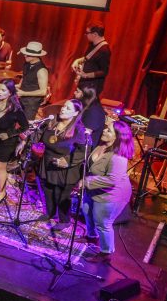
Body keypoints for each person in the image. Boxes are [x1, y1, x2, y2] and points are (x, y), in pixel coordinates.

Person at [81, 120, 134, 261]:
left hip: (112, 194)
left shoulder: (118, 157)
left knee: (103, 222)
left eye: (109, 130)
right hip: (95, 188)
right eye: (106, 128)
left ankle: (106, 252)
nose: (104, 131)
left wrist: (87, 181)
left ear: (117, 137)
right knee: (86, 209)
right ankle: (92, 237)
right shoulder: (102, 146)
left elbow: (112, 180)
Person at [37, 99, 86, 230]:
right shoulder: (53, 122)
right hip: (48, 162)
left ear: (76, 113)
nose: (63, 109)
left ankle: (64, 220)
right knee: (48, 190)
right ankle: (50, 213)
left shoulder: (79, 130)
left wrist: (67, 161)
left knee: (61, 195)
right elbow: (40, 137)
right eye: (64, 106)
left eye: (68, 108)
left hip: (65, 168)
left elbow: (83, 151)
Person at [0, 80, 27, 203]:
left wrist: (8, 134)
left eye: (3, 90)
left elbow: (25, 126)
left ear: (10, 92)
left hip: (5, 143)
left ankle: (2, 192)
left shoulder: (16, 109)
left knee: (0, 168)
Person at [72, 22, 111, 97]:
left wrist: (86, 75)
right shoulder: (92, 44)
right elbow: (88, 58)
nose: (86, 35)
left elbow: (104, 72)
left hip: (91, 88)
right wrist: (77, 61)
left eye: (87, 33)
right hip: (83, 84)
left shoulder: (104, 50)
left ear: (95, 34)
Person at [16, 41, 49, 120]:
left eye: (27, 54)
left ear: (36, 56)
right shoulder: (27, 64)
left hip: (31, 103)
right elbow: (25, 77)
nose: (25, 55)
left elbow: (43, 91)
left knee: (26, 124)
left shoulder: (42, 70)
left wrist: (24, 93)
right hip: (22, 99)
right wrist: (18, 85)